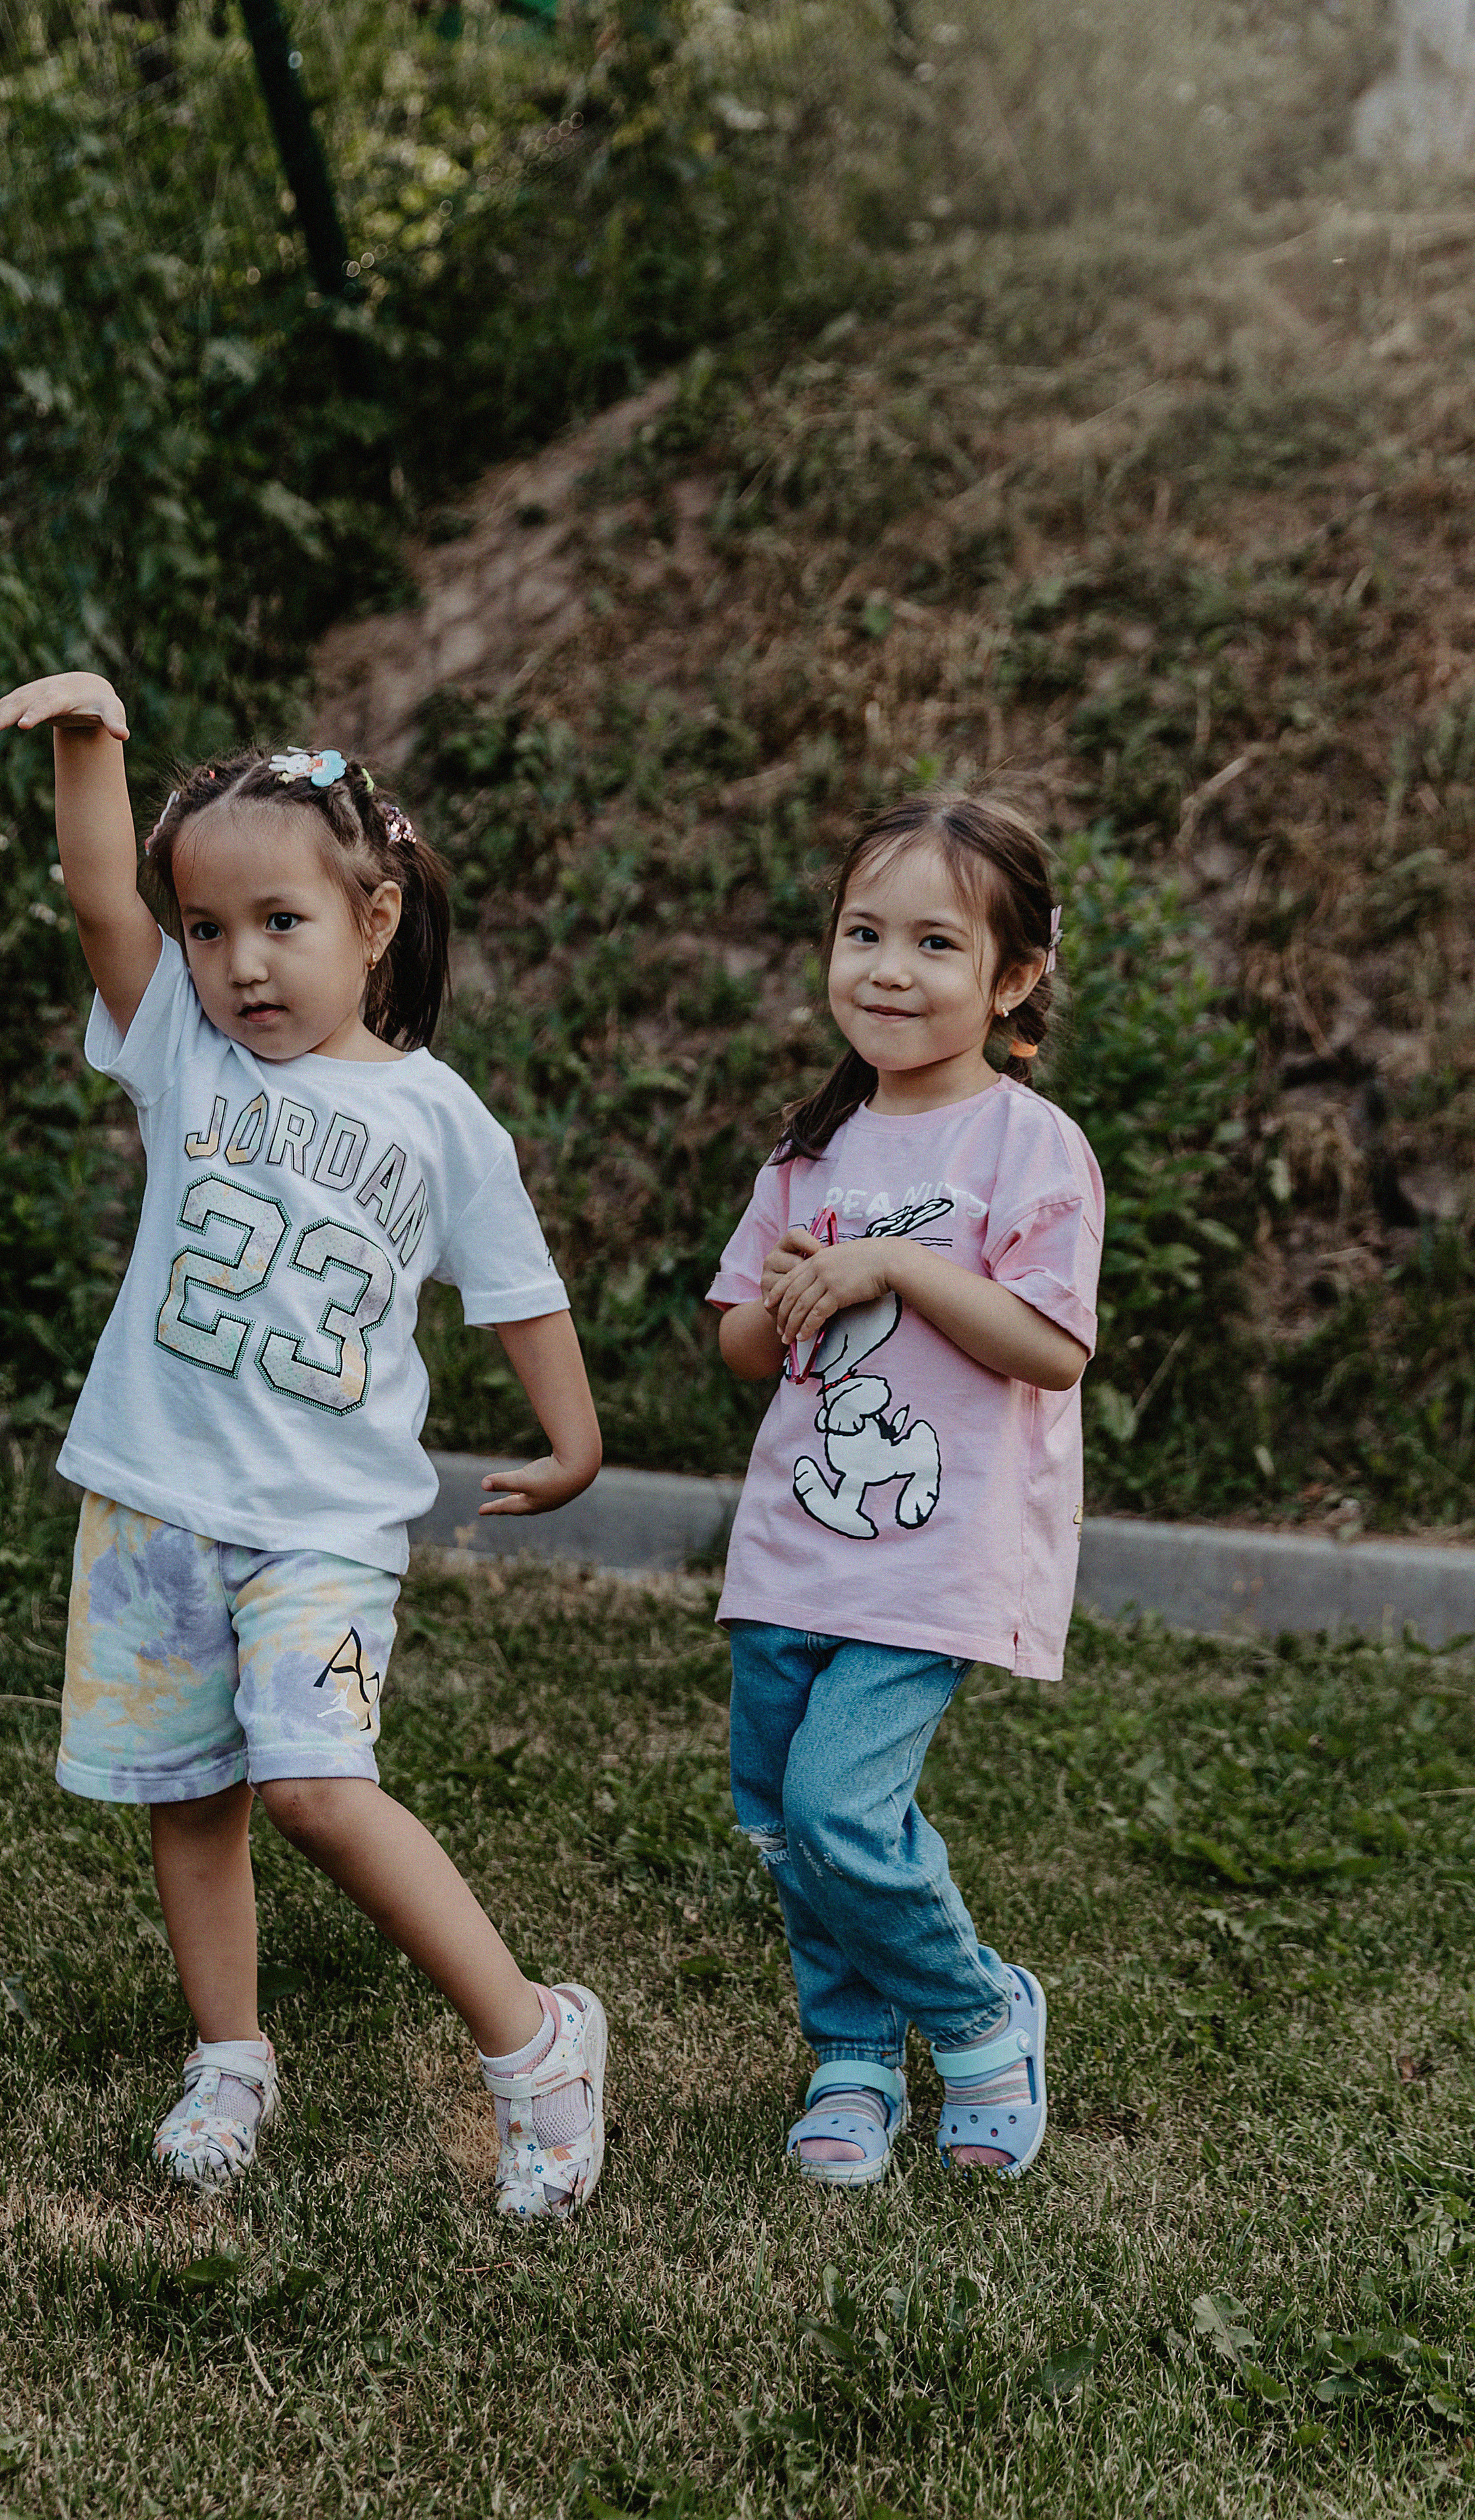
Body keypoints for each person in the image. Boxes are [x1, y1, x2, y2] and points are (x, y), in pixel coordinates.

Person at [0, 673, 607, 2218]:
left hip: (322, 1527)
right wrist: (91, 740)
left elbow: (519, 1291)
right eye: (206, 929)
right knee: (190, 1799)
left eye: (279, 922)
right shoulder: (181, 1051)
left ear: (373, 920)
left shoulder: (441, 1121)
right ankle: (230, 2057)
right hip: (154, 1506)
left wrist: (574, 1442)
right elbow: (98, 895)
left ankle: (536, 2047)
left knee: (317, 1789)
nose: (238, 962)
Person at [707, 791, 1103, 2187]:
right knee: (779, 1816)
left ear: (1011, 978)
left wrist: (897, 1265)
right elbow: (740, 1345)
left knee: (839, 1809)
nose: (887, 969)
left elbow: (1051, 1349)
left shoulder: (1026, 1147)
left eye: (935, 943)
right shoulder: (810, 1147)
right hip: (792, 1544)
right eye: (863, 933)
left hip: (934, 1556)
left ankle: (979, 2018)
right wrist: (781, 1296)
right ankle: (853, 2053)